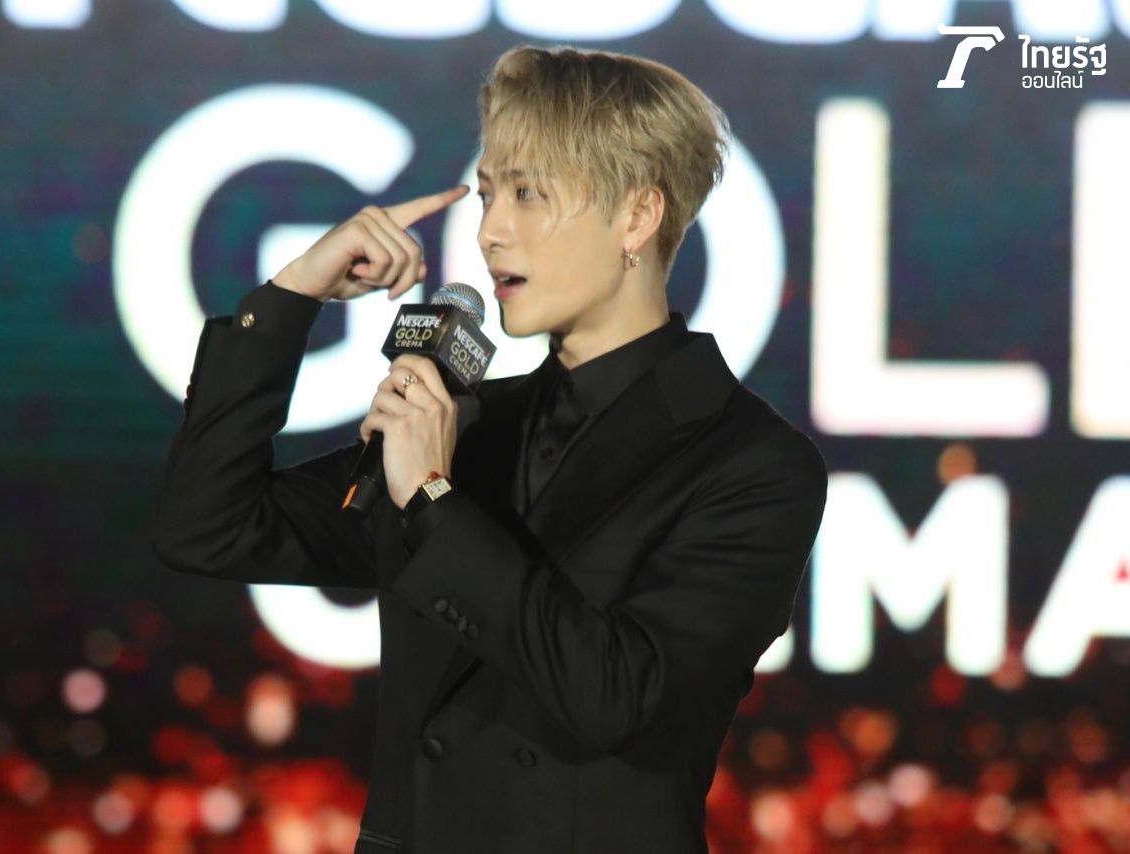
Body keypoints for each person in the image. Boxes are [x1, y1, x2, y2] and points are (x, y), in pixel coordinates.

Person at [154, 46, 827, 853]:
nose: (489, 232)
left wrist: (435, 502)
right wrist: (291, 298)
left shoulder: (751, 464)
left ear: (637, 218)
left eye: (528, 194)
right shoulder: (468, 424)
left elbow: (616, 696)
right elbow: (207, 527)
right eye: (486, 195)